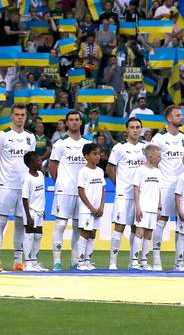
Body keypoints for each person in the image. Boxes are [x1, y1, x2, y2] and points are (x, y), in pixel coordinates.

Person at [0, 104, 36, 271]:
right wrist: (1, 178)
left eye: (22, 115)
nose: (20, 117)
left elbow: (31, 163)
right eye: (17, 114)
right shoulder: (2, 136)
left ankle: (18, 260)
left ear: (25, 117)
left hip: (23, 188)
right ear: (11, 116)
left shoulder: (31, 138)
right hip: (6, 186)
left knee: (20, 224)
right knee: (1, 222)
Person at [151, 105, 184, 271]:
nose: (181, 118)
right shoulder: (159, 138)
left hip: (183, 185)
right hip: (166, 184)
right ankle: (155, 260)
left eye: (181, 115)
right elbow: (151, 159)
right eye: (178, 115)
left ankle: (180, 262)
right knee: (162, 220)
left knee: (182, 222)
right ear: (169, 118)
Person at [49, 110, 91, 270]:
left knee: (77, 227)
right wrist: (61, 183)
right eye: (71, 120)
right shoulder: (60, 144)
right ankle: (57, 261)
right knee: (60, 225)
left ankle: (75, 261)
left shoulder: (86, 144)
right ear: (67, 123)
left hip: (81, 193)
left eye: (76, 119)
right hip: (64, 191)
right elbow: (52, 166)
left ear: (81, 122)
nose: (74, 122)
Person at [106, 117, 146, 270]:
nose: (135, 130)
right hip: (123, 195)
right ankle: (113, 263)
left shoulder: (145, 147)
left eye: (138, 127)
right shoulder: (119, 148)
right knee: (119, 227)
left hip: (140, 196)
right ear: (127, 130)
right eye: (132, 127)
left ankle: (133, 262)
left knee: (137, 228)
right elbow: (110, 168)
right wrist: (120, 185)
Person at [132, 143, 162, 271]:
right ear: (150, 156)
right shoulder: (140, 170)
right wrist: (138, 207)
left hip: (153, 208)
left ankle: (144, 261)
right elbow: (136, 189)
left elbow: (159, 190)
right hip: (143, 206)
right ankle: (134, 262)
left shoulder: (158, 172)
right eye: (158, 156)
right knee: (139, 232)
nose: (160, 159)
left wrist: (159, 207)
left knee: (149, 234)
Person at [75, 143, 105, 271]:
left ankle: (88, 260)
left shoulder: (100, 171)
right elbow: (81, 191)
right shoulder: (83, 172)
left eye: (99, 153)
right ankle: (80, 262)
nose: (98, 156)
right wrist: (91, 207)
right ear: (86, 156)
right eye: (94, 154)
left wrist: (102, 206)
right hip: (87, 210)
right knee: (85, 233)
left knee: (93, 233)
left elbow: (103, 189)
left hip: (97, 209)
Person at [20, 151, 47, 272]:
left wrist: (43, 209)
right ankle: (28, 263)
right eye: (38, 160)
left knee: (38, 236)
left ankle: (34, 261)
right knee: (29, 235)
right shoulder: (27, 178)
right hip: (31, 211)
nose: (40, 162)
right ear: (31, 164)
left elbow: (41, 195)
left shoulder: (41, 175)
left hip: (40, 211)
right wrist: (28, 216)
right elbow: (25, 198)